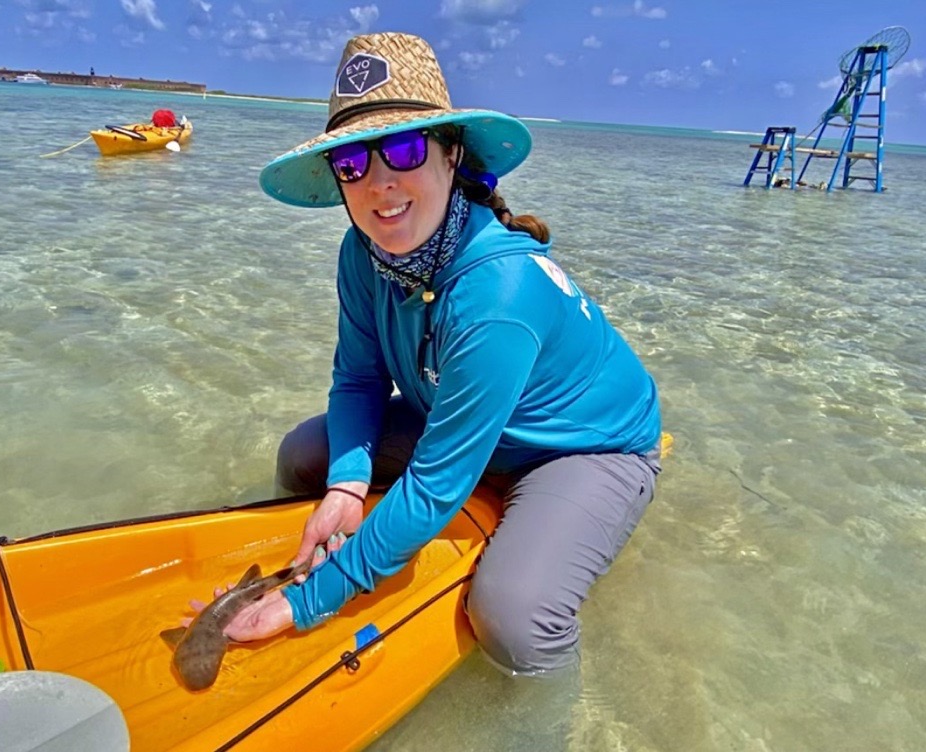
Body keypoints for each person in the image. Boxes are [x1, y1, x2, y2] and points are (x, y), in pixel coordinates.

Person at [192, 32, 662, 676]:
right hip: (468, 429)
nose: (380, 185)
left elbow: (439, 479)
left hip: (581, 448)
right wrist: (347, 487)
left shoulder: (499, 292)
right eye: (352, 162)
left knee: (515, 622)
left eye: (405, 150)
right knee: (306, 456)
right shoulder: (362, 253)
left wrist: (305, 604)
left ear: (451, 155)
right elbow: (357, 378)